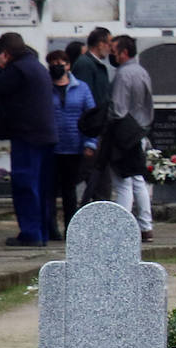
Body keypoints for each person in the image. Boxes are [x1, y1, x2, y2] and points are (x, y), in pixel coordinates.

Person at [0, 33, 59, 248]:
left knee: (25, 184)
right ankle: (42, 231)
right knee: (42, 186)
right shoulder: (36, 66)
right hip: (45, 134)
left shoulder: (16, 69)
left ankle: (30, 233)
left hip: (27, 135)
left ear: (6, 53)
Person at [106, 34, 154, 241]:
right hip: (140, 130)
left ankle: (122, 228)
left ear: (124, 52)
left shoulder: (123, 74)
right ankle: (145, 226)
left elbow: (117, 108)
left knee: (123, 181)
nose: (111, 54)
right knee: (138, 180)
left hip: (125, 132)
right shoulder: (141, 71)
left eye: (114, 50)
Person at [45, 50, 96, 240]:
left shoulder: (81, 88)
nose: (58, 65)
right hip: (51, 147)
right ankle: (51, 229)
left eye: (61, 62)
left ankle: (71, 230)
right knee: (49, 190)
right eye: (53, 62)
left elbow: (91, 116)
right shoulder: (45, 87)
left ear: (68, 65)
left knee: (69, 191)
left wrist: (90, 142)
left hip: (74, 147)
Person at [71, 27, 113, 202]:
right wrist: (90, 136)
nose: (111, 48)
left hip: (99, 130)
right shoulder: (85, 65)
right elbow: (84, 101)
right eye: (110, 43)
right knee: (95, 178)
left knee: (100, 180)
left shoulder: (95, 65)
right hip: (92, 132)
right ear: (101, 43)